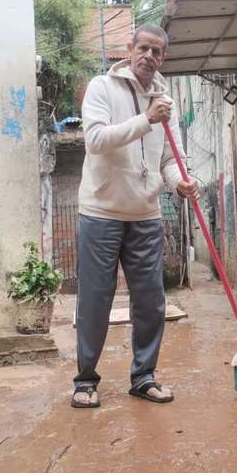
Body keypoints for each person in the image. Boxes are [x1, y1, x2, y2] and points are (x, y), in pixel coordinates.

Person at [71, 23, 198, 408]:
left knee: (151, 301)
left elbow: (166, 159)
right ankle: (85, 380)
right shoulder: (101, 88)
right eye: (143, 48)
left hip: (145, 214)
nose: (149, 56)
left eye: (157, 52)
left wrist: (181, 181)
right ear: (129, 49)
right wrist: (146, 119)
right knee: (95, 299)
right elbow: (94, 140)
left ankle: (144, 377)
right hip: (101, 213)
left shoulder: (165, 101)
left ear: (163, 57)